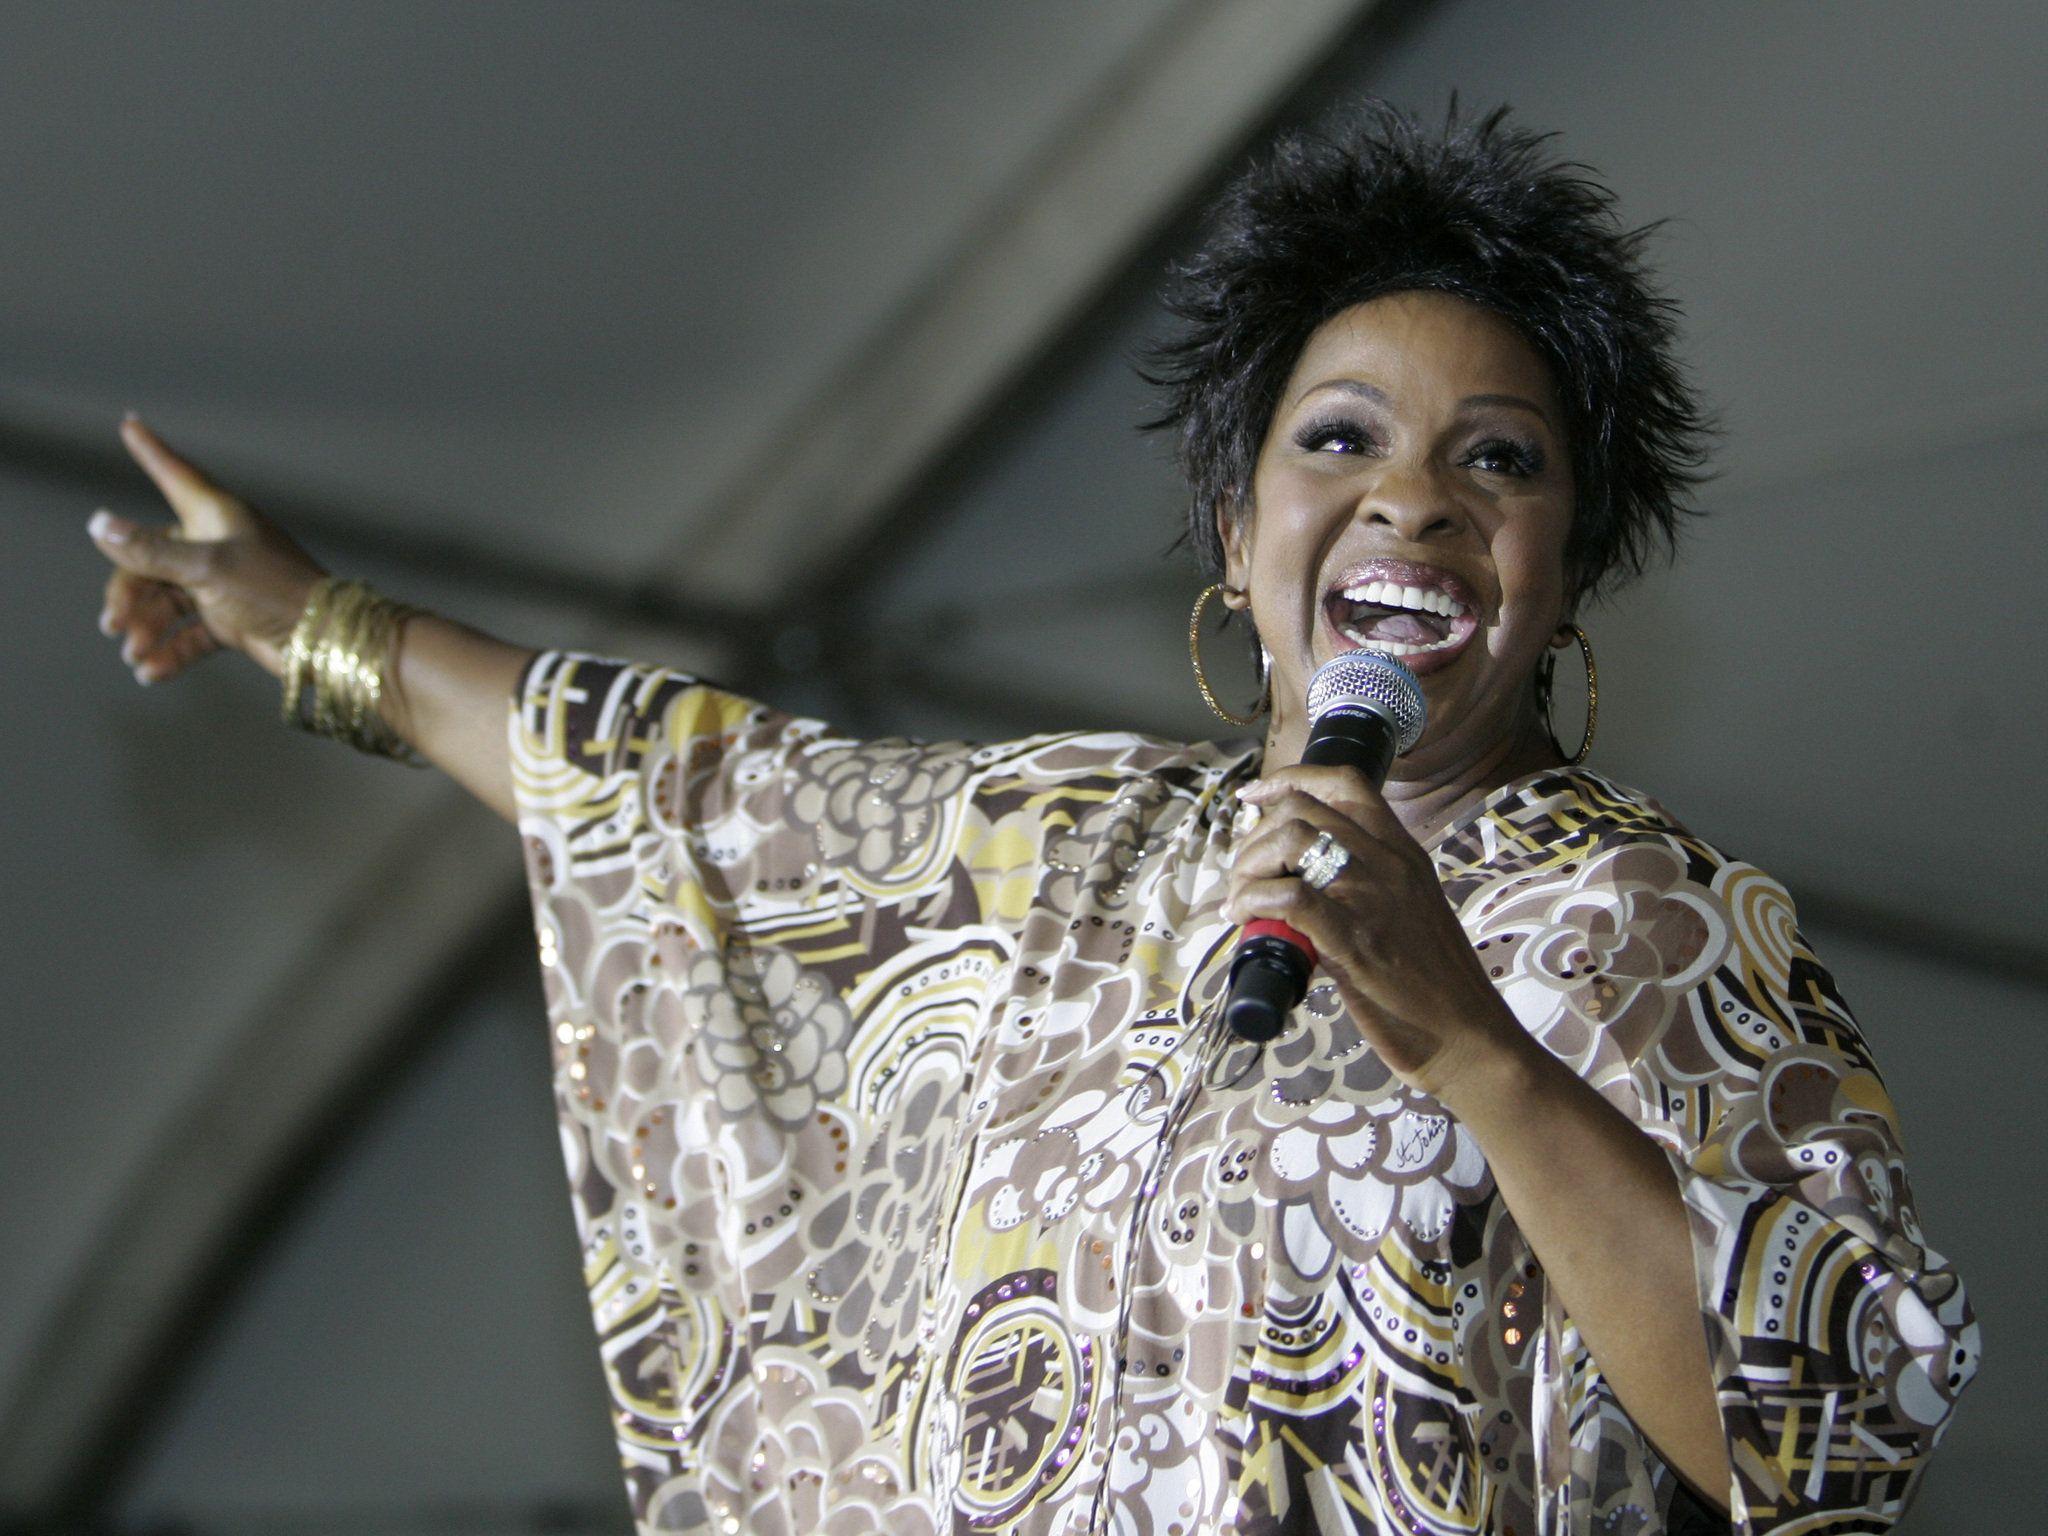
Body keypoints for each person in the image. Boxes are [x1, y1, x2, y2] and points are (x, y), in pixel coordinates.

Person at [86, 103, 1977, 1536]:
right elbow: (669, 790)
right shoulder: (1075, 848)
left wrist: (1473, 1046)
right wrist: (309, 622)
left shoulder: (1655, 925)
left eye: (1499, 460)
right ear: (1240, 543)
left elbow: (1821, 1421)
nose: (1412, 499)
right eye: (1340, 439)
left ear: (1564, 580)